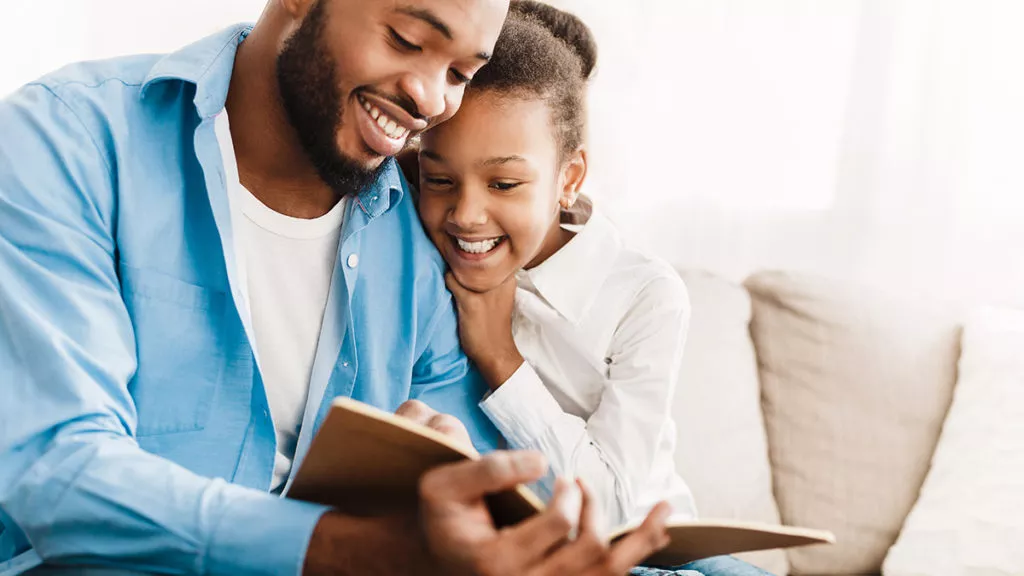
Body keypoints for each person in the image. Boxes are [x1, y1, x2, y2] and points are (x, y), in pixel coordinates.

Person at [0, 0, 671, 574]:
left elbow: (499, 501)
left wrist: (435, 479)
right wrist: (355, 550)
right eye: (407, 39)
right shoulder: (70, 142)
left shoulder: (414, 233)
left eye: (461, 72)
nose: (432, 99)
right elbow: (57, 473)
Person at [414, 2, 773, 575]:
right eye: (438, 179)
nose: (466, 214)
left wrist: (500, 357)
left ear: (569, 179)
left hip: (660, 548)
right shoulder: (415, 243)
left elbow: (607, 509)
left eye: (504, 183)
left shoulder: (645, 295)